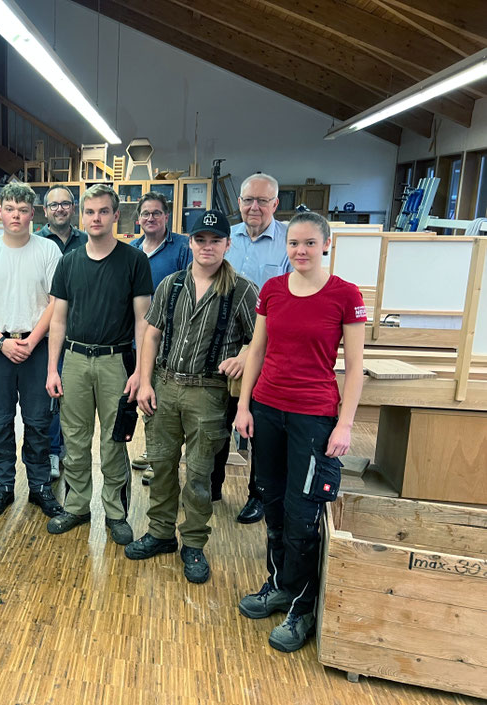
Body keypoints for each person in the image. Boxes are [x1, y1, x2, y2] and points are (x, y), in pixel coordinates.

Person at [234, 212, 365, 653]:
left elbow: (355, 368)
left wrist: (345, 423)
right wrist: (244, 406)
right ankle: (278, 585)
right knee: (271, 501)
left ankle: (303, 606)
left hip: (314, 416)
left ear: (327, 244)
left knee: (303, 513)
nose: (300, 251)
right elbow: (257, 349)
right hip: (268, 410)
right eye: (293, 244)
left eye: (310, 243)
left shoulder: (344, 295)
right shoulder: (272, 290)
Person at [126, 209, 258, 583]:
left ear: (227, 245)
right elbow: (151, 334)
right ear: (191, 242)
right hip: (164, 387)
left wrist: (245, 355)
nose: (207, 246)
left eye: (215, 240)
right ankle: (160, 532)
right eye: (200, 239)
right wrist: (145, 381)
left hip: (208, 393)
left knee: (199, 475)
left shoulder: (243, 290)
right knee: (162, 466)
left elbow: (260, 340)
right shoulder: (171, 284)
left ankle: (195, 543)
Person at [45, 184, 153, 545]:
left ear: (116, 216)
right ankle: (77, 507)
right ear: (82, 215)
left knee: (113, 440)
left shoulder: (134, 261)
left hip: (116, 362)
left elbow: (143, 321)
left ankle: (116, 513)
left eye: (103, 211)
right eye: (90, 212)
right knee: (74, 440)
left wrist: (141, 370)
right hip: (74, 360)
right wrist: (52, 369)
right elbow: (57, 320)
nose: (96, 218)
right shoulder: (69, 262)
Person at [0, 183, 62, 519]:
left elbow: (56, 303)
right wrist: (1, 342)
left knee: (39, 423)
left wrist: (33, 340)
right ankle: (2, 488)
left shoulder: (48, 251)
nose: (17, 216)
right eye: (10, 209)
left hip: (36, 348)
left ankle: (39, 487)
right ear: (0, 212)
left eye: (24, 211)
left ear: (33, 214)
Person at [215, 173, 293, 524]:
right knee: (218, 417)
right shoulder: (226, 240)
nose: (254, 207)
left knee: (260, 427)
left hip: (269, 349)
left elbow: (293, 303)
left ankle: (258, 495)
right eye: (248, 200)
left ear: (275, 204)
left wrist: (252, 349)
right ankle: (212, 485)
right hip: (223, 346)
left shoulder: (290, 243)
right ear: (239, 202)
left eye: (262, 201)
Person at [128, 191, 192, 485]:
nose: (150, 218)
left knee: (165, 399)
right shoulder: (133, 249)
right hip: (139, 334)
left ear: (166, 216)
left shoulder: (181, 247)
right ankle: (154, 450)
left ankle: (164, 460)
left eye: (156, 213)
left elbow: (193, 286)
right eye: (145, 214)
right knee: (145, 389)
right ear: (138, 218)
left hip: (173, 335)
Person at [36, 185, 86, 480]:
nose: (59, 209)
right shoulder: (38, 243)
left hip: (81, 333)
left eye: (65, 204)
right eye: (53, 205)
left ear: (73, 208)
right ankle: (53, 452)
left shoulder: (86, 241)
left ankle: (73, 451)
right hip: (48, 333)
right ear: (45, 211)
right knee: (51, 397)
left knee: (75, 400)